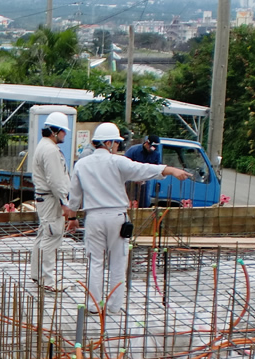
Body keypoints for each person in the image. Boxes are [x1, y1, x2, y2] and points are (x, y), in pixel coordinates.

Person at [64, 123, 190, 315]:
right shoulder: (117, 162)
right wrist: (170, 170)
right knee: (117, 263)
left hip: (94, 218)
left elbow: (74, 196)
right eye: (115, 143)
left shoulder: (81, 164)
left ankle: (93, 306)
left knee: (95, 263)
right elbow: (143, 169)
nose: (117, 147)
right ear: (107, 143)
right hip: (116, 217)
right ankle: (114, 307)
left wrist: (72, 217)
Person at [30, 111, 72, 292]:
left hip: (45, 198)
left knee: (44, 235)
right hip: (51, 199)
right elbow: (56, 180)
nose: (65, 135)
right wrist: (64, 202)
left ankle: (38, 275)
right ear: (55, 131)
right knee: (52, 235)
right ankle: (48, 280)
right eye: (63, 131)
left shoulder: (44, 146)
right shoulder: (50, 150)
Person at [124, 135, 161, 208]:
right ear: (147, 143)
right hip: (131, 182)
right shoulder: (133, 150)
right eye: (151, 147)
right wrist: (133, 177)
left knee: (144, 204)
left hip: (145, 182)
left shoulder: (156, 154)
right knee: (129, 202)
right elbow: (124, 165)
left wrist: (145, 179)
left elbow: (157, 168)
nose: (152, 150)